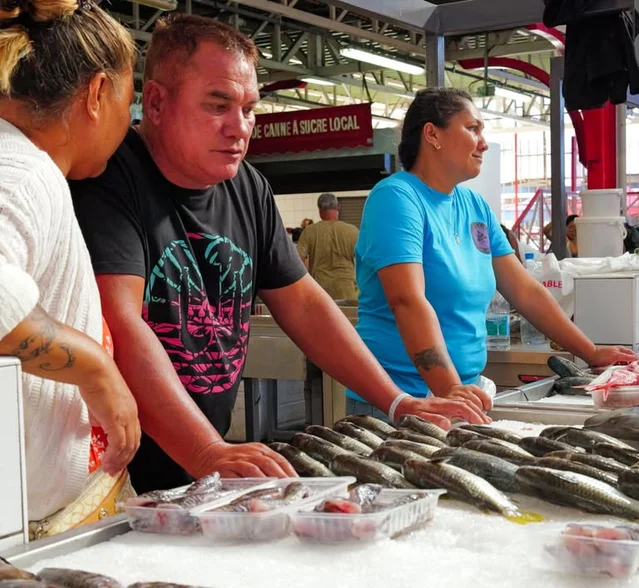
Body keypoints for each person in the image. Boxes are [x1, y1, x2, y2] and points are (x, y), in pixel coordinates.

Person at [69, 15, 479, 494]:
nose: (239, 127)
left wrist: (396, 401)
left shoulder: (247, 185)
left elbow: (304, 304)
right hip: (114, 468)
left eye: (248, 108)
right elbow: (120, 321)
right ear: (156, 103)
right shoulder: (110, 175)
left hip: (202, 460)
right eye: (218, 105)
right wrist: (205, 451)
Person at [351, 88, 637, 415]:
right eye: (472, 129)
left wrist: (590, 352)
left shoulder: (475, 207)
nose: (483, 143)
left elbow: (525, 291)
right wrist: (449, 389)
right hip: (401, 400)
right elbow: (407, 301)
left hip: (461, 392)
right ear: (432, 134)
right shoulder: (397, 199)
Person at [0, 0, 141, 537]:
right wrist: (94, 369)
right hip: (32, 524)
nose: (129, 125)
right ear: (98, 93)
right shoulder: (23, 171)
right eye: (129, 102)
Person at [296, 193, 359, 301]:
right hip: (347, 291)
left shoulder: (309, 231)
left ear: (319, 209)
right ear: (338, 206)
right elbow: (366, 260)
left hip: (320, 293)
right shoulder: (352, 231)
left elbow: (297, 262)